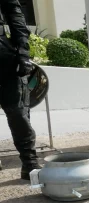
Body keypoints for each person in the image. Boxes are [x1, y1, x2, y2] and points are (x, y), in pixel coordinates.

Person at [0, 0, 39, 180]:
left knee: (18, 112)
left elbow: (14, 13)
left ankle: (29, 162)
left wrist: (23, 52)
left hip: (3, 55)